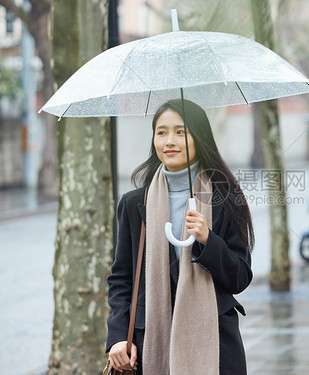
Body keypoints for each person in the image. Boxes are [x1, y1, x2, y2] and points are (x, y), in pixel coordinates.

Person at [106, 99, 254, 375]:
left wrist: (208, 239)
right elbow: (121, 278)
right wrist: (116, 335)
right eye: (161, 132)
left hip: (214, 343)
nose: (169, 141)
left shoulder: (225, 198)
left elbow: (240, 277)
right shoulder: (134, 204)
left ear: (199, 138)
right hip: (150, 341)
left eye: (180, 132)